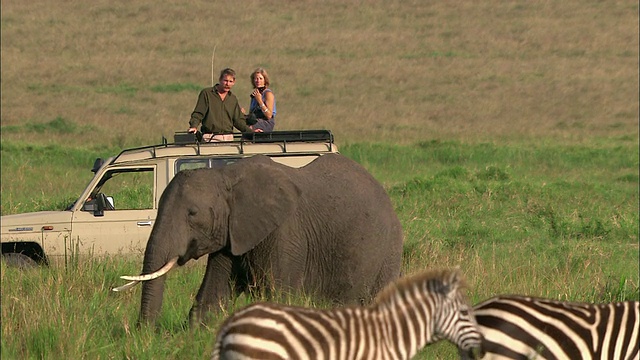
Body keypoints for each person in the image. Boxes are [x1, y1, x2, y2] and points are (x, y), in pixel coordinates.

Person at [188, 68, 257, 141]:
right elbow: (198, 113)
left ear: (234, 82)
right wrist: (194, 126)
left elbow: (238, 121)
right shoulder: (207, 94)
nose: (227, 84)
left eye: (230, 81)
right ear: (220, 80)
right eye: (225, 81)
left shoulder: (232, 99)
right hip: (211, 137)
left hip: (228, 137)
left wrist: (252, 132)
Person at [244, 68, 276, 132]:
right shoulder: (254, 95)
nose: (258, 81)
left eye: (260, 78)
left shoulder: (268, 94)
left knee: (249, 129)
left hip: (266, 122)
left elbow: (269, 115)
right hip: (255, 121)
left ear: (265, 80)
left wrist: (260, 101)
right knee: (244, 126)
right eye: (256, 78)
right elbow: (252, 115)